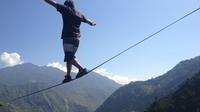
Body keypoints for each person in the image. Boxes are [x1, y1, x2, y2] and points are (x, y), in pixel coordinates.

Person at [44, 0, 96, 83]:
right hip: (77, 39)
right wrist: (92, 23)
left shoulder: (66, 9)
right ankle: (68, 76)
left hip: (68, 37)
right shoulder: (79, 14)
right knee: (69, 57)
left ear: (66, 5)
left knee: (69, 56)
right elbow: (87, 20)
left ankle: (81, 69)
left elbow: (53, 3)